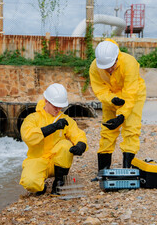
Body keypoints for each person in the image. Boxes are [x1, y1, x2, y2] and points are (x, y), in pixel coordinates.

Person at [89, 38, 146, 179]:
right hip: (111, 96)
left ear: (117, 57)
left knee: (131, 129)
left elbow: (130, 93)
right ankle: (103, 171)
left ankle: (127, 170)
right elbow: (100, 90)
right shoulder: (94, 67)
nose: (108, 70)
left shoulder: (129, 63)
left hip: (134, 94)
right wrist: (111, 100)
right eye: (105, 67)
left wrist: (121, 116)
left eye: (111, 66)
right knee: (108, 130)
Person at [19, 83, 88, 195]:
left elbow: (78, 134)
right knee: (29, 182)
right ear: (46, 101)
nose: (58, 109)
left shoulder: (65, 120)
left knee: (66, 145)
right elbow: (28, 136)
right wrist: (53, 127)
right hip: (37, 160)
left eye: (60, 106)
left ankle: (59, 181)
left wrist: (81, 145)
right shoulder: (32, 118)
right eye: (55, 106)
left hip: (57, 161)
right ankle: (42, 186)